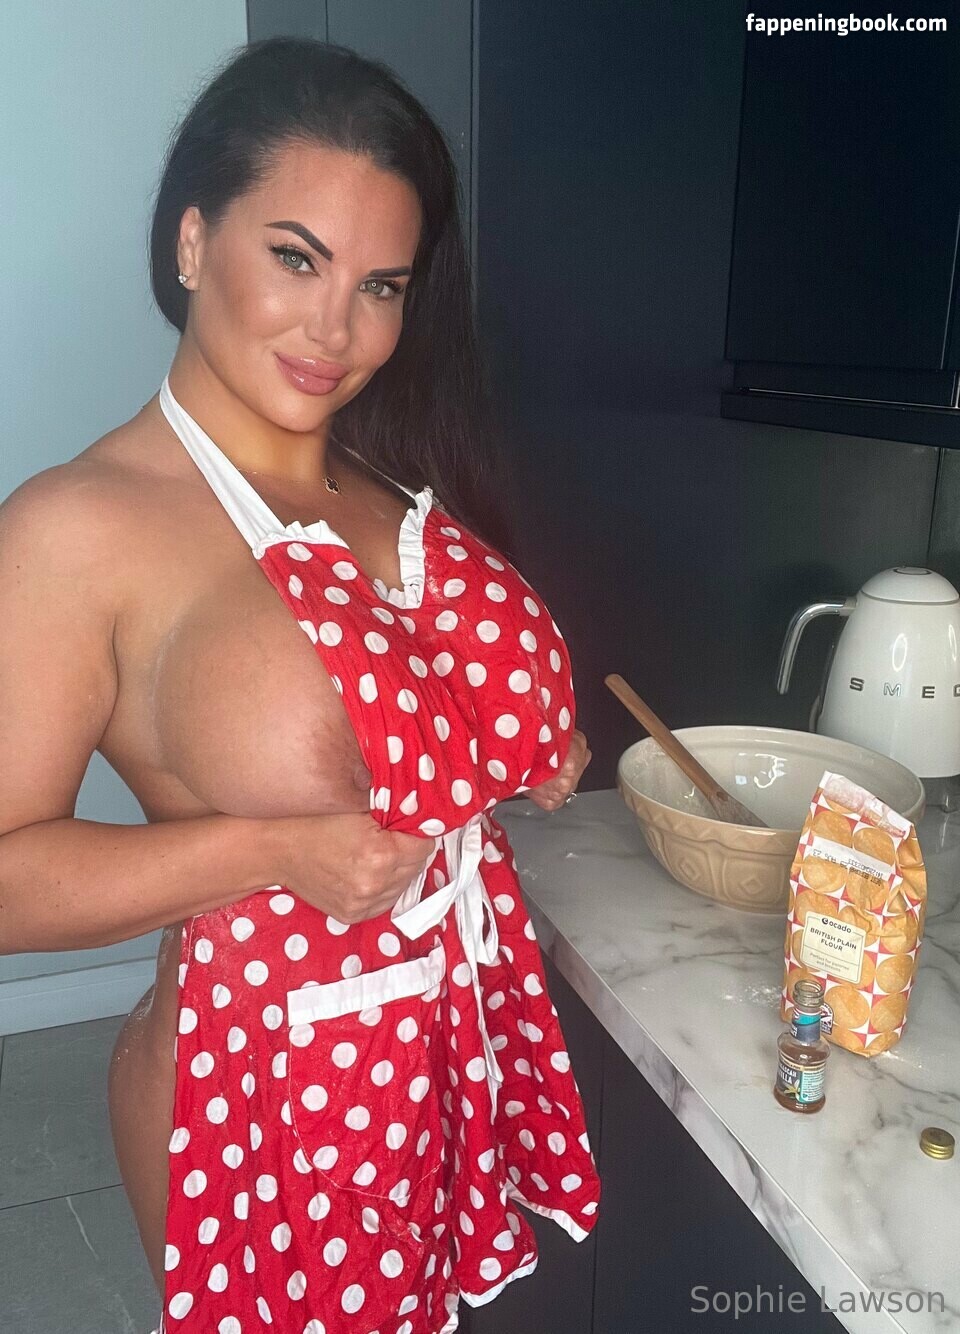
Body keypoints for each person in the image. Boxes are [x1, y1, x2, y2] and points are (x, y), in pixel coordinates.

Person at [0, 36, 598, 1333]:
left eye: (380, 285)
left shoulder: (385, 480)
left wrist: (516, 749)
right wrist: (273, 848)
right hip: (267, 1107)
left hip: (447, 1057)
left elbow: (395, 739)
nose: (338, 329)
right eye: (296, 258)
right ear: (191, 241)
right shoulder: (77, 530)